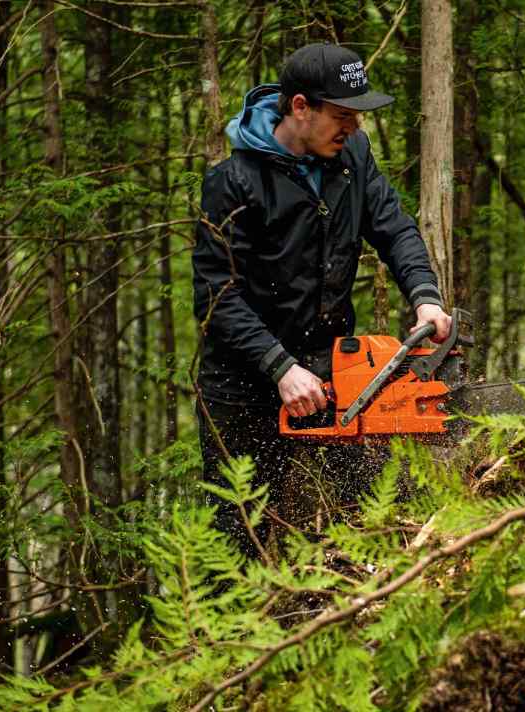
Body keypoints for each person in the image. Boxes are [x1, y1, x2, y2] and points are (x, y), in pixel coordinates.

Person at [192, 43, 451, 556]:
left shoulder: (351, 156)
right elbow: (217, 297)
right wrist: (279, 368)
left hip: (328, 363)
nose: (352, 127)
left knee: (364, 503)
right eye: (342, 115)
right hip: (243, 382)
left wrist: (424, 296)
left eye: (356, 115)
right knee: (241, 528)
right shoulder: (233, 183)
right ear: (301, 107)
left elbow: (393, 227)